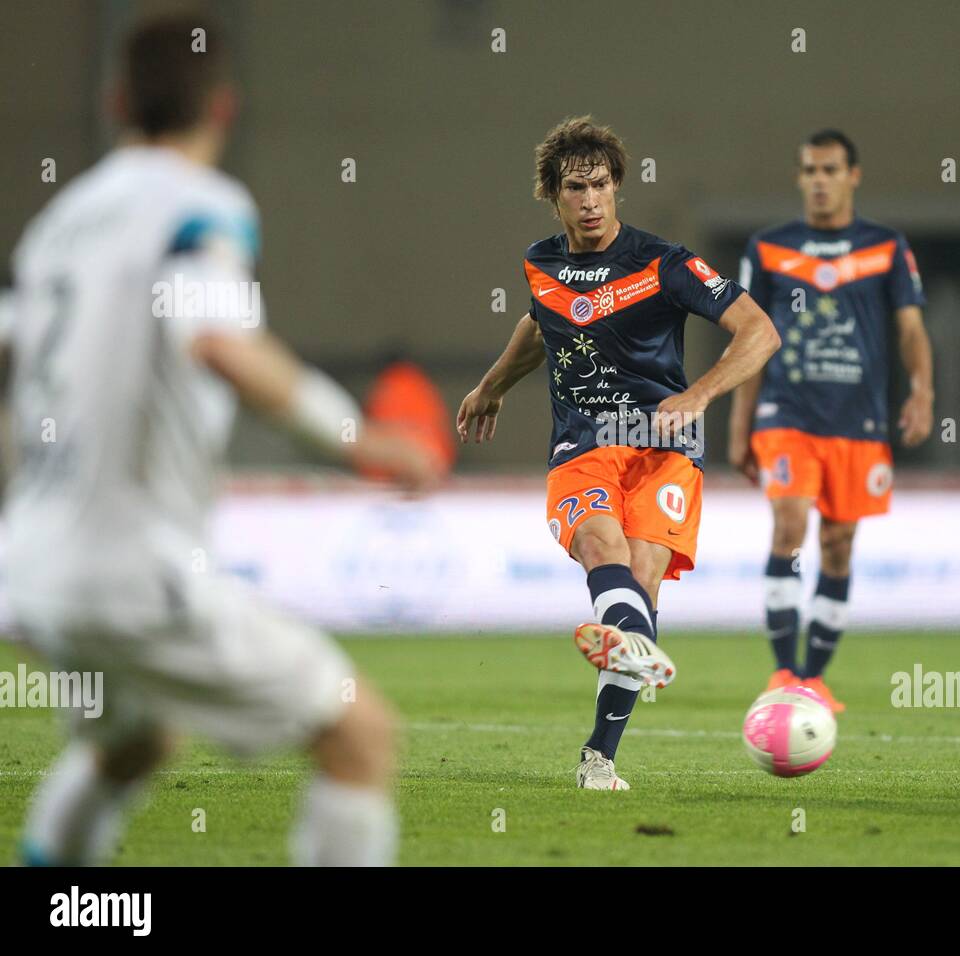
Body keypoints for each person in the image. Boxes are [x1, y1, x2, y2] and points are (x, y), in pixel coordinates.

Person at [3, 15, 438, 866]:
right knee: (358, 734)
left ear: (118, 100)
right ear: (225, 108)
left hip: (30, 565)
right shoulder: (202, 207)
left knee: (131, 743)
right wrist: (360, 439)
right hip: (129, 565)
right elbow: (216, 340)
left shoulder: (59, 223)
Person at [456, 116, 779, 790]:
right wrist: (491, 385)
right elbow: (541, 324)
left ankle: (599, 751)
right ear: (553, 194)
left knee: (645, 580)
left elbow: (760, 331)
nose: (591, 199)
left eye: (602, 185)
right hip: (584, 446)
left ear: (617, 188)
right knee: (608, 554)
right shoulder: (540, 264)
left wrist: (701, 395)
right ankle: (631, 648)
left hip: (667, 449)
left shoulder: (665, 263)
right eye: (576, 187)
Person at [729, 130, 935, 712]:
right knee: (789, 526)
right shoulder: (768, 248)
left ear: (853, 175)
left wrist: (922, 392)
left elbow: (912, 329)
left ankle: (815, 677)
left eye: (830, 169)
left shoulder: (887, 247)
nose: (819, 180)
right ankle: (783, 671)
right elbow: (751, 336)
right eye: (809, 170)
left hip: (859, 422)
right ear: (800, 178)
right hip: (787, 415)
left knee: (840, 545)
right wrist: (740, 424)